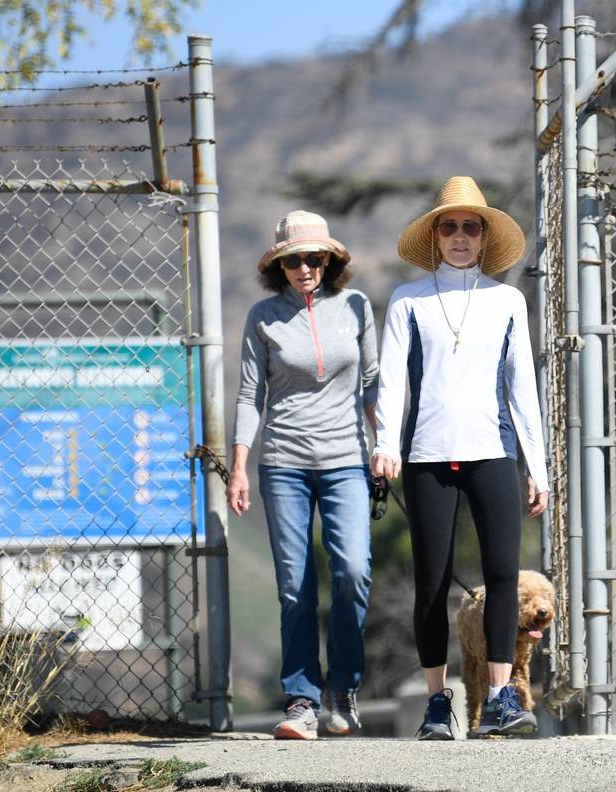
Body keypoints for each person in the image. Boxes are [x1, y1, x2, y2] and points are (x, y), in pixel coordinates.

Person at [371, 176, 549, 739]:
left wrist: (537, 468)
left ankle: (498, 698)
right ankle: (436, 703)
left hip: (492, 452)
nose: (460, 236)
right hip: (426, 456)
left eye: (471, 226)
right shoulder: (408, 301)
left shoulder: (507, 300)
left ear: (485, 236)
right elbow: (392, 382)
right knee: (431, 581)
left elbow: (523, 388)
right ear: (434, 235)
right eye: (449, 226)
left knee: (500, 576)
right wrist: (385, 446)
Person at [228, 210, 378, 739]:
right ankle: (301, 701)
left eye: (314, 258)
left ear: (330, 261)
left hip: (346, 462)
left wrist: (383, 448)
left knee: (353, 572)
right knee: (295, 587)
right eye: (293, 259)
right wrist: (240, 464)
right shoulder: (263, 317)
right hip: (284, 463)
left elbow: (374, 384)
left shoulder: (355, 307)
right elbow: (251, 395)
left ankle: (343, 688)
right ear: (280, 266)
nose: (305, 267)